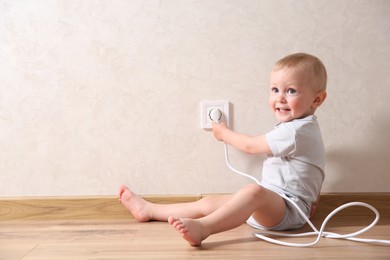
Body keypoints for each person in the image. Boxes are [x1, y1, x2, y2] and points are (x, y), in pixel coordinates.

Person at [119, 53, 327, 246]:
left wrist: (223, 132)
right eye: (275, 90)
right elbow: (315, 169)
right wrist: (313, 199)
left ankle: (203, 228)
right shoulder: (303, 129)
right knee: (210, 203)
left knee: (254, 192)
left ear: (317, 99)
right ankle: (150, 210)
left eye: (291, 91)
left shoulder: (296, 131)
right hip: (281, 206)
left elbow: (250, 146)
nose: (280, 98)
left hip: (288, 210)